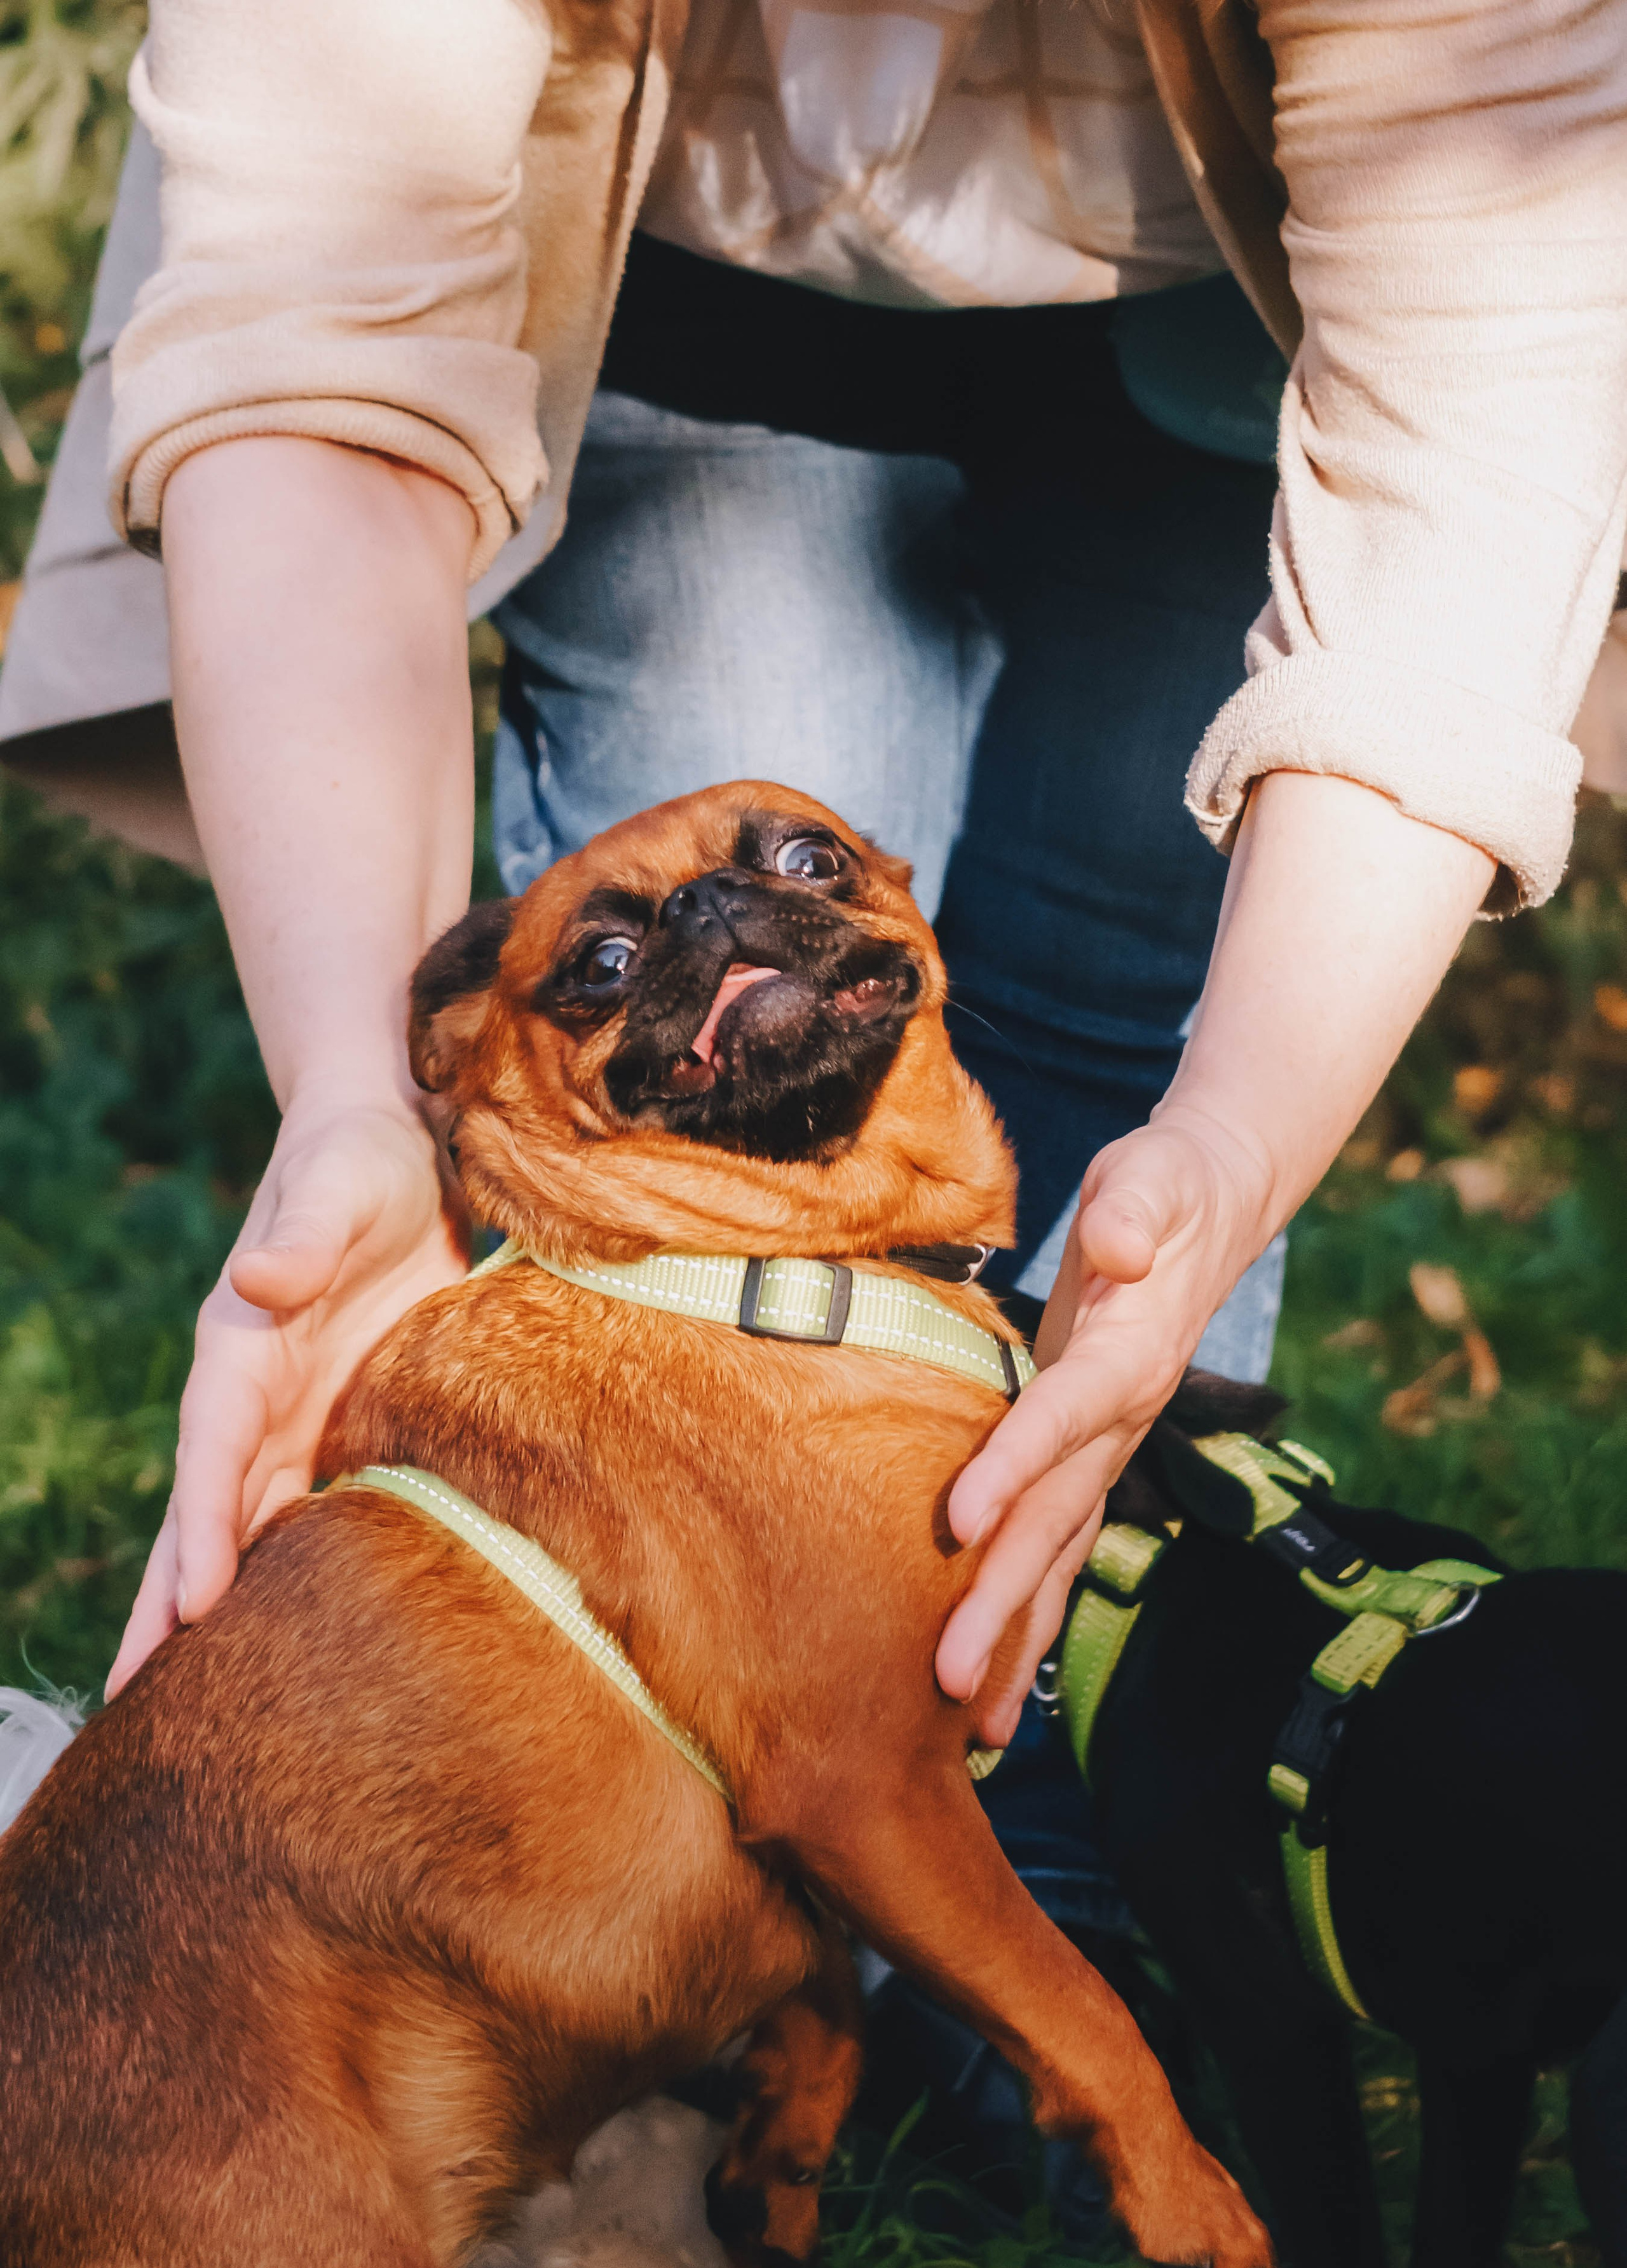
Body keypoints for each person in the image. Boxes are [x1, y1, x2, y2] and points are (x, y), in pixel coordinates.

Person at [18, 0, 1619, 1735]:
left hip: (1224, 292)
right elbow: (321, 344)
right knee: (701, 1193)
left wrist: (1236, 1145)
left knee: (1129, 1039)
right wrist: (355, 1099)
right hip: (684, 263)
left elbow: (1463, 461)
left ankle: (1060, 1784)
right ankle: (722, 1809)